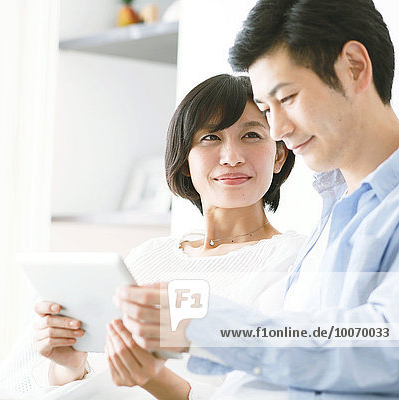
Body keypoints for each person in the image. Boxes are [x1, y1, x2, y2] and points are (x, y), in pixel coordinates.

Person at [114, 0, 399, 399]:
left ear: (354, 67)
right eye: (267, 108)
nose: (278, 128)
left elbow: (382, 347)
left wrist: (206, 322)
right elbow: (281, 373)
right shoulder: (335, 214)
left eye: (288, 98)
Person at [0, 74, 304, 399]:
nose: (231, 157)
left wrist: (155, 378)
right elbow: (93, 378)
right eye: (211, 137)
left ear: (280, 154)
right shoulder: (149, 256)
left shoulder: (293, 260)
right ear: (185, 160)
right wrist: (69, 365)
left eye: (252, 135)